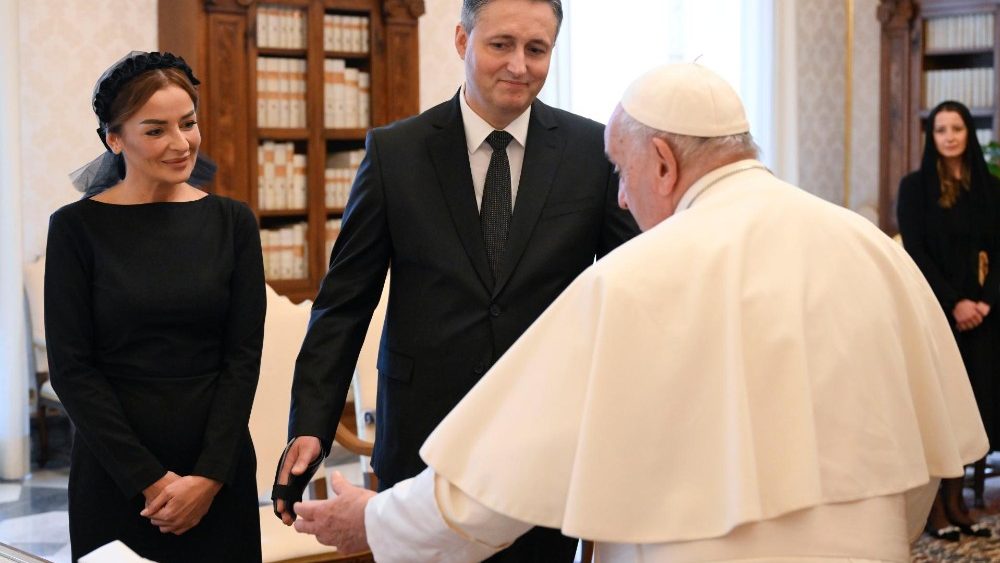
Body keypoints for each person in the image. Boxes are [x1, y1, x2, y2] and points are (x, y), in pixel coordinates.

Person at [288, 63, 989, 562]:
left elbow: (500, 482)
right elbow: (920, 453)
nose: (620, 200)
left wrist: (377, 520)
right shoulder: (871, 249)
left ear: (660, 161)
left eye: (622, 174)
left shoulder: (640, 276)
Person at [273, 0, 637, 560]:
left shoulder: (593, 152)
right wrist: (311, 426)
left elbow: (635, 282)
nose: (519, 64)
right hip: (422, 438)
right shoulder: (396, 153)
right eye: (501, 45)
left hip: (541, 443)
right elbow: (345, 304)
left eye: (536, 49)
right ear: (463, 41)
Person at [45, 51, 265, 562]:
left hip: (218, 464)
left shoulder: (233, 223)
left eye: (188, 123)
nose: (180, 143)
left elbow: (242, 359)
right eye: (156, 130)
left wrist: (208, 477)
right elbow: (72, 370)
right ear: (114, 138)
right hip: (116, 470)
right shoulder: (76, 229)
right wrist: (148, 480)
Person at [896, 99, 1000, 541]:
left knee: (977, 406)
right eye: (941, 129)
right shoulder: (914, 188)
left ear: (968, 134)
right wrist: (955, 302)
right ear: (932, 137)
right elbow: (916, 251)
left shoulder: (992, 188)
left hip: (986, 317)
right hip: (938, 315)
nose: (950, 136)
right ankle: (936, 507)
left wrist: (985, 302)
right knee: (941, 409)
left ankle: (959, 504)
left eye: (957, 128)